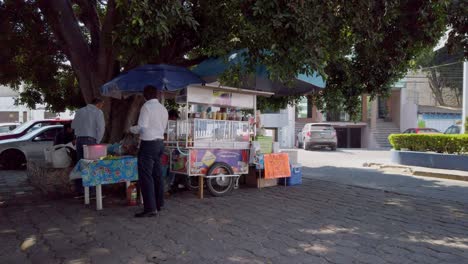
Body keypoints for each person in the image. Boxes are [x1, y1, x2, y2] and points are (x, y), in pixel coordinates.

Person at [130, 85, 168, 218]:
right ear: (156, 95)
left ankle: (150, 208)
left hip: (148, 144)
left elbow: (142, 127)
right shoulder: (163, 108)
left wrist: (131, 129)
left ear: (145, 95)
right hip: (159, 143)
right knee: (157, 174)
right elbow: (163, 127)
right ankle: (159, 203)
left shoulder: (146, 107)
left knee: (146, 176)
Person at [71, 98, 105, 194]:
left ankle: (80, 189)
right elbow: (101, 128)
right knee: (91, 165)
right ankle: (92, 191)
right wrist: (97, 141)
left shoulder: (80, 111)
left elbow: (73, 126)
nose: (102, 107)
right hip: (91, 140)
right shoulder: (98, 112)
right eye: (102, 105)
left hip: (79, 139)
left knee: (81, 164)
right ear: (98, 104)